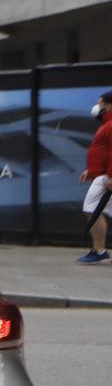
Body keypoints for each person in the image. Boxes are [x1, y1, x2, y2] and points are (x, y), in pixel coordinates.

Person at [80, 91, 112, 265]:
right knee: (93, 209)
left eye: (100, 103)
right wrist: (90, 170)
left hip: (106, 177)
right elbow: (103, 152)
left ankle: (99, 250)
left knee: (92, 209)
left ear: (108, 105)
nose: (97, 106)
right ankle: (98, 249)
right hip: (102, 175)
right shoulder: (106, 124)